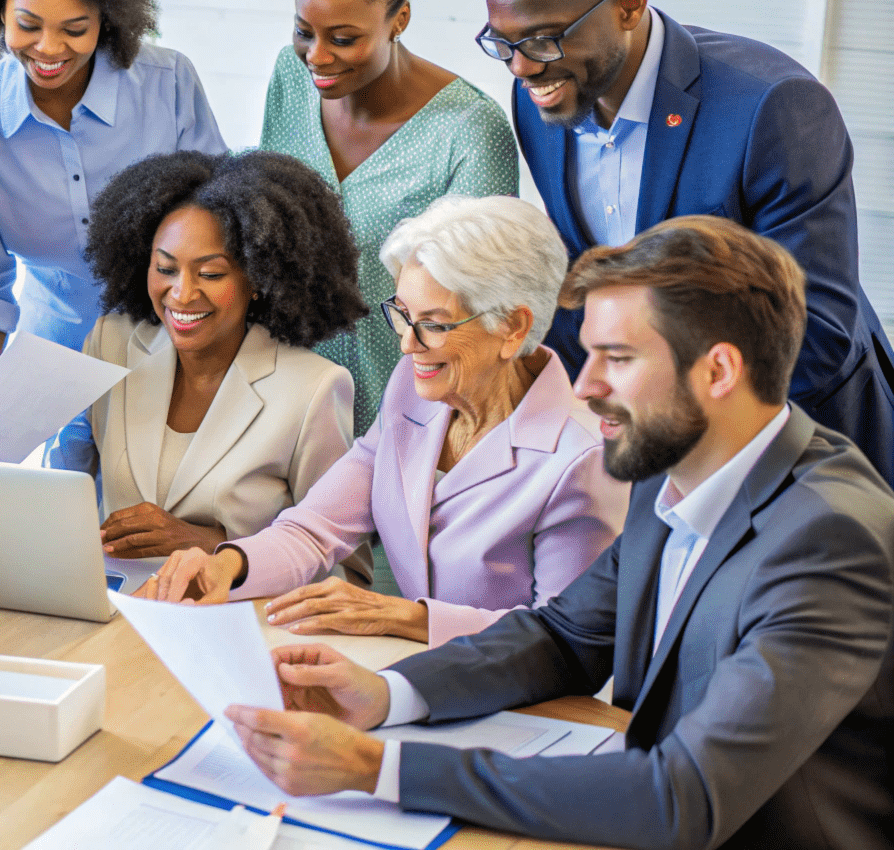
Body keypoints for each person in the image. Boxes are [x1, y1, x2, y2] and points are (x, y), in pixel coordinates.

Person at [221, 217, 894, 850]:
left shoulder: (830, 539)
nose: (587, 384)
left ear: (717, 371)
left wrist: (381, 769)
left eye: (618, 359)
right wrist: (390, 695)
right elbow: (565, 635)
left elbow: (682, 795)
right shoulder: (678, 465)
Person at [480, 0, 894, 486]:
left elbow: (817, 333)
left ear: (629, 6)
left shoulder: (772, 108)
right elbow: (590, 286)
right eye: (503, 43)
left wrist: (658, 419)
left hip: (802, 461)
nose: (520, 68)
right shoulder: (540, 96)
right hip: (645, 455)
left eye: (543, 40)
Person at [136, 197, 627, 647]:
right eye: (402, 314)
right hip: (412, 680)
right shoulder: (413, 392)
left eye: (433, 324)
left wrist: (405, 617)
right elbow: (315, 528)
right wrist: (228, 565)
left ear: (513, 326)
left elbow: (569, 636)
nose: (407, 344)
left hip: (522, 710)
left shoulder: (580, 461)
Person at [260, 0, 517, 432]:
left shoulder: (470, 130)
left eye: (344, 39)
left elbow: (479, 312)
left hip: (411, 412)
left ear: (399, 18)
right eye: (305, 32)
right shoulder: (290, 77)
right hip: (285, 400)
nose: (317, 58)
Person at [0, 0, 226, 394]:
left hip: (170, 340)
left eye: (75, 28)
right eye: (28, 24)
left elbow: (220, 231)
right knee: (62, 474)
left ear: (108, 19)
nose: (49, 48)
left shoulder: (169, 84)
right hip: (52, 348)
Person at [51, 150, 367, 565]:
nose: (181, 294)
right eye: (165, 269)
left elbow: (343, 568)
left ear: (257, 276)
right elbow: (63, 489)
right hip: (112, 609)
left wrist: (211, 546)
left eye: (211, 274)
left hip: (231, 620)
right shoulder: (112, 344)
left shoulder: (313, 390)